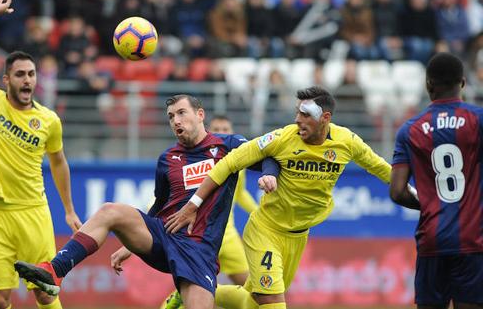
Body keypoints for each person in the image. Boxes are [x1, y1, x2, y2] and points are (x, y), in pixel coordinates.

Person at [14, 95, 278, 309]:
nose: (176, 120)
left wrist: (268, 176)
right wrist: (131, 243)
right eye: (171, 116)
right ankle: (54, 271)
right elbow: (160, 207)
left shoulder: (228, 145)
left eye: (182, 113)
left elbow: (269, 154)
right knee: (110, 211)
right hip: (164, 236)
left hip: (198, 250)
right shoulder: (168, 158)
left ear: (200, 115)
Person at [165, 86, 408, 309]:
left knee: (250, 302)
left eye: (305, 114)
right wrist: (194, 203)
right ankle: (195, 291)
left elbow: (380, 167)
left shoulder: (347, 142)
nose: (297, 119)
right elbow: (229, 162)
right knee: (273, 302)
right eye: (296, 112)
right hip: (266, 231)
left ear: (325, 117)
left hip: (298, 236)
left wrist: (416, 194)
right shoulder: (281, 138)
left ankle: (192, 292)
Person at [0, 0, 82, 309]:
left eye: (32, 74)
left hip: (33, 213)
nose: (28, 80)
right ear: (6, 79)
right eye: (21, 75)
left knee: (44, 291)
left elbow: (59, 162)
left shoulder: (49, 121)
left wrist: (68, 209)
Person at [390, 53, 483, 309]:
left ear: (428, 84)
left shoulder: (410, 130)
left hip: (432, 240)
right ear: (463, 83)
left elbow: (397, 192)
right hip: (473, 241)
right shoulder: (478, 120)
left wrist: (432, 205)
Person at [162, 115, 260, 309]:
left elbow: (240, 195)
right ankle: (181, 296)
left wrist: (259, 212)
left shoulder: (238, 164)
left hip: (228, 236)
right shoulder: (197, 161)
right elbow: (172, 195)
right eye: (217, 129)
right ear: (208, 132)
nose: (222, 133)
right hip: (199, 235)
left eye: (226, 129)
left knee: (255, 292)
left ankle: (181, 296)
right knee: (200, 292)